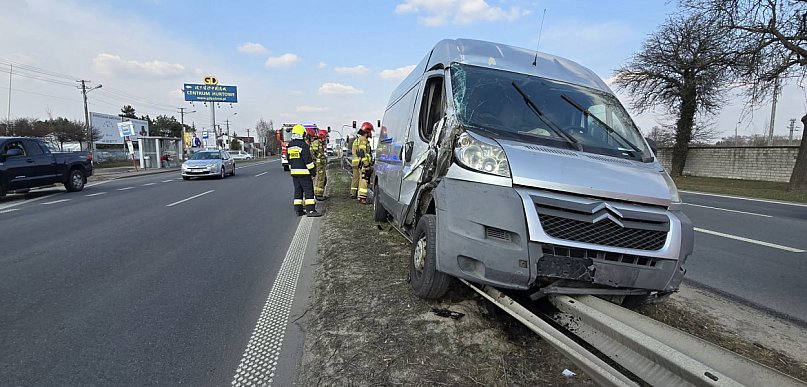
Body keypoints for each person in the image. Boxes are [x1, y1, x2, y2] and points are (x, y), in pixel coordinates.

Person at [288, 124, 322, 217]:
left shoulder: (290, 145)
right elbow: (308, 161)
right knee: (308, 191)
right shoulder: (304, 145)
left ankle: (298, 210)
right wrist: (313, 172)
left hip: (294, 173)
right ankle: (311, 210)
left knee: (298, 191)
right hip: (304, 172)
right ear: (301, 134)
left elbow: (289, 160)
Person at [351, 121, 374, 203]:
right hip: (363, 163)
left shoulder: (359, 139)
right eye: (370, 131)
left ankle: (358, 195)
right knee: (364, 178)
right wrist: (367, 164)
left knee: (358, 178)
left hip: (359, 162)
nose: (371, 133)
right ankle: (362, 197)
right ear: (367, 131)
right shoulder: (363, 140)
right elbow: (362, 152)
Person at [313, 130, 328, 200]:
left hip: (321, 164)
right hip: (319, 164)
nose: (325, 139)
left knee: (322, 178)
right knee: (320, 179)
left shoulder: (320, 143)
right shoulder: (316, 143)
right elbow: (314, 152)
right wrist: (321, 156)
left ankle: (318, 193)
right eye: (325, 137)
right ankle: (318, 195)